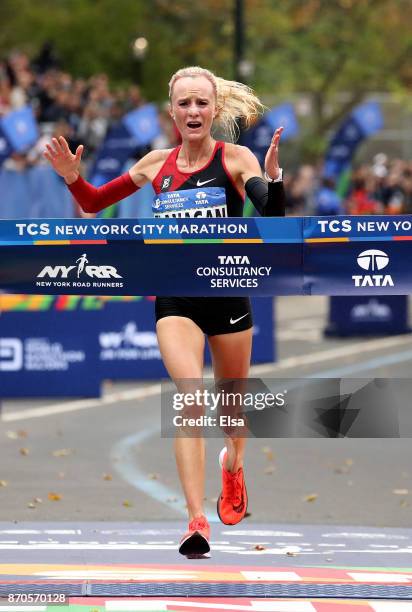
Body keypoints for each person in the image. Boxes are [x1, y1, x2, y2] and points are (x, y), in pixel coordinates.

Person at [44, 65, 285, 557]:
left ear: (213, 109)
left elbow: (273, 217)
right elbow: (92, 203)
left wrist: (274, 179)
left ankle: (234, 467)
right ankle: (196, 519)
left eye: (202, 103)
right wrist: (73, 177)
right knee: (189, 397)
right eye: (184, 104)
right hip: (175, 298)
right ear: (171, 111)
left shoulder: (236, 158)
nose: (193, 111)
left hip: (228, 294)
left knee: (232, 411)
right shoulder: (156, 164)